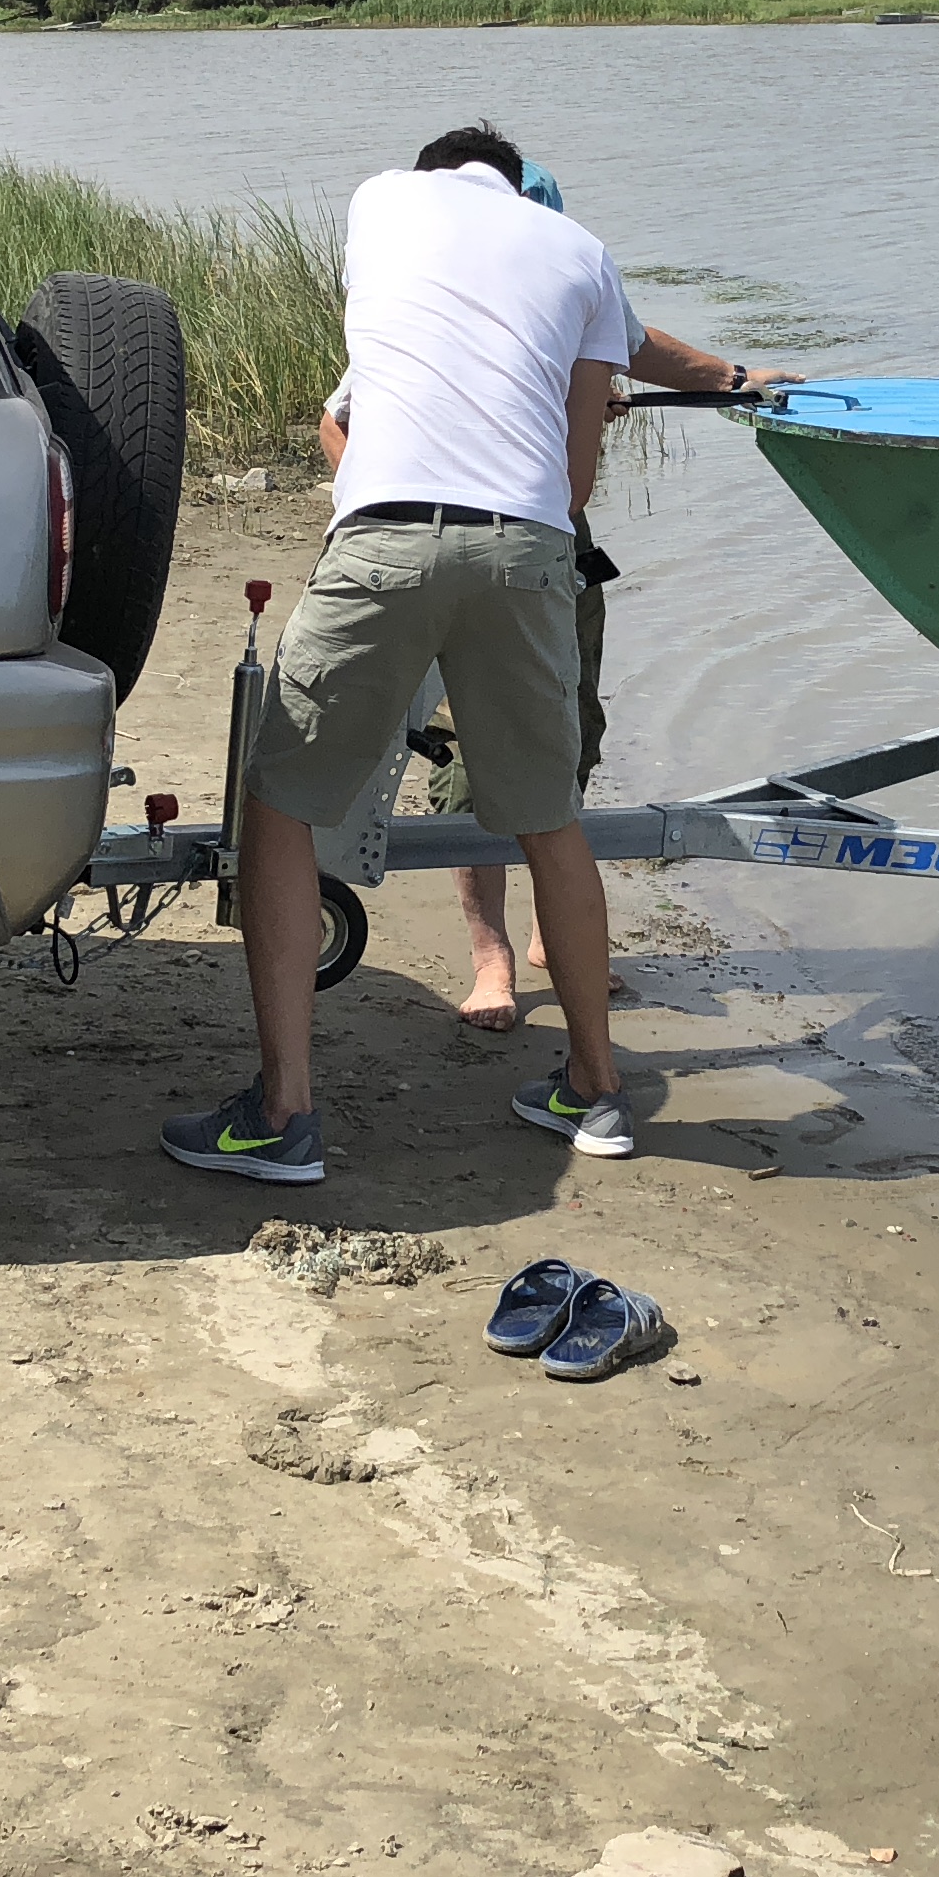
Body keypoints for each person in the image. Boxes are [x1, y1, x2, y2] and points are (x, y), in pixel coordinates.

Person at [162, 122, 640, 1183]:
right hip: (529, 549)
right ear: (522, 187)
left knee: (282, 804)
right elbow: (576, 480)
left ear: (437, 175)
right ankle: (597, 1091)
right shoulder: (587, 254)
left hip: (385, 536)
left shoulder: (382, 200)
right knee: (549, 818)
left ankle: (284, 1114)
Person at [339, 159, 757, 1030]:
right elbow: (337, 420)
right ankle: (490, 955)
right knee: (463, 759)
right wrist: (375, 510)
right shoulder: (431, 306)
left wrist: (724, 380)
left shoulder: (565, 285)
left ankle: (549, 936)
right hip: (455, 551)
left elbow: (631, 352)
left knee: (568, 741)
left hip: (555, 556)